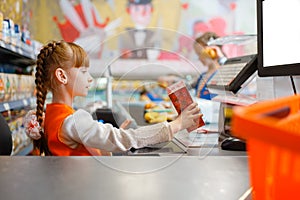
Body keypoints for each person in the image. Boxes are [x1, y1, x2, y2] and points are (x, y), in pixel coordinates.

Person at [23, 40, 201, 156]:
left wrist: (106, 139)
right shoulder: (74, 121)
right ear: (62, 76)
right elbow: (128, 139)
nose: (90, 78)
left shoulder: (47, 116)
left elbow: (74, 149)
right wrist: (177, 124)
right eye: (84, 72)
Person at [192, 31, 227, 100]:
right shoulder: (203, 76)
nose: (199, 58)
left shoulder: (221, 74)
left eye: (200, 54)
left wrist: (220, 56)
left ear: (213, 51)